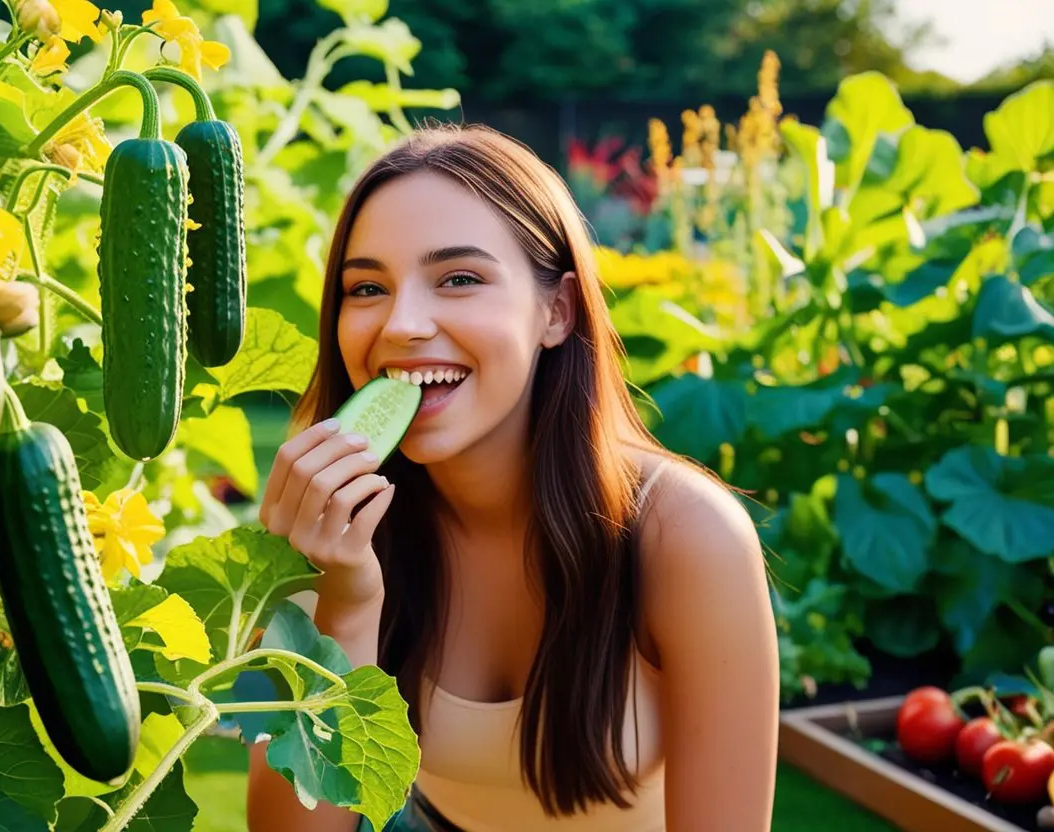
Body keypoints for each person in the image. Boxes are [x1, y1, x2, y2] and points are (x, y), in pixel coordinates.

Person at [245, 123, 780, 831]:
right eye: (367, 286)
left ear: (555, 311)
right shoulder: (331, 523)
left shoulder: (687, 537)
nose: (403, 325)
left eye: (458, 279)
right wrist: (341, 605)